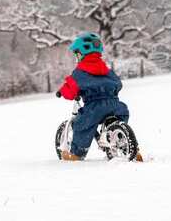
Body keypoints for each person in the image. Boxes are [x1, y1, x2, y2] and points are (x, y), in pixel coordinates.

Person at [56, 32, 142, 161]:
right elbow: (118, 83)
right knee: (115, 123)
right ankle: (128, 148)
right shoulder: (106, 70)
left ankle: (76, 154)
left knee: (82, 126)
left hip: (94, 108)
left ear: (80, 54)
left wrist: (62, 92)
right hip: (116, 105)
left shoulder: (79, 73)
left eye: (76, 54)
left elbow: (70, 90)